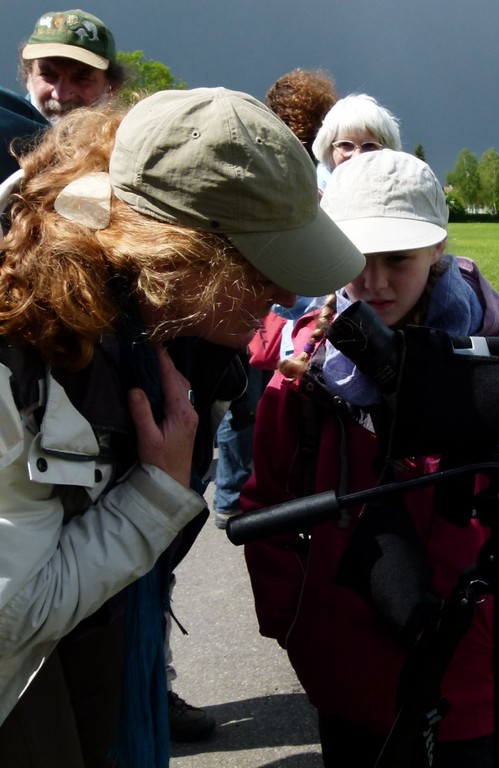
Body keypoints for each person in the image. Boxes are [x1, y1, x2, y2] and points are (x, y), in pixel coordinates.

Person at [0, 87, 363, 767]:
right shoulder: (17, 353)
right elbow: (8, 619)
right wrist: (154, 500)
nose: (289, 295)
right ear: (175, 252)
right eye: (265, 265)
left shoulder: (146, 318)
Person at [240, 149, 499, 767]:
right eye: (356, 259)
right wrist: (294, 622)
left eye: (397, 259)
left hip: (469, 682)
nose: (374, 282)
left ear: (437, 251)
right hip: (344, 677)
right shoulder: (303, 375)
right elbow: (267, 502)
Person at [212, 68, 339, 530]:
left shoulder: (261, 160)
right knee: (261, 401)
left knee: (246, 402)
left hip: (277, 299)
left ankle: (237, 498)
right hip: (288, 298)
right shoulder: (309, 176)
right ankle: (248, 496)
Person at [18, 8, 130, 124]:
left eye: (80, 78)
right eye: (48, 75)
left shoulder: (128, 139)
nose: (60, 96)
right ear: (28, 77)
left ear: (111, 89)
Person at [310, 92, 402, 192]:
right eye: (346, 145)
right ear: (328, 148)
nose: (357, 156)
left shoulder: (400, 193)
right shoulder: (307, 199)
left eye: (369, 146)